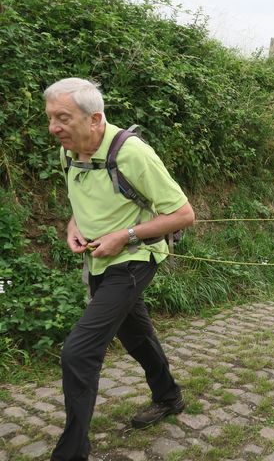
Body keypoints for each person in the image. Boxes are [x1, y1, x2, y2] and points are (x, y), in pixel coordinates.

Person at [45, 78, 195, 461]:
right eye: (49, 119)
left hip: (134, 259)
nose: (53, 128)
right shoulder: (69, 151)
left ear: (95, 118)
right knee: (136, 335)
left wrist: (124, 235)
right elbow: (81, 201)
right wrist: (73, 225)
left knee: (78, 353)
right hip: (99, 259)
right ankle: (169, 396)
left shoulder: (132, 154)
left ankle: (71, 452)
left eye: (63, 118)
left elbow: (183, 214)